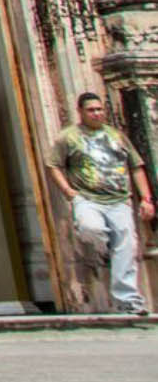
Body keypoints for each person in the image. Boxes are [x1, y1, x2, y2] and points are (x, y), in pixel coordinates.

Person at [49, 90, 154, 315]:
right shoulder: (68, 137)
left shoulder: (117, 136)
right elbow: (53, 165)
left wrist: (146, 198)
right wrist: (69, 191)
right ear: (80, 112)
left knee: (126, 246)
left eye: (99, 109)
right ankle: (103, 249)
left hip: (119, 200)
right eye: (91, 110)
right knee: (91, 228)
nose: (97, 114)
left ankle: (128, 301)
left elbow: (136, 167)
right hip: (87, 198)